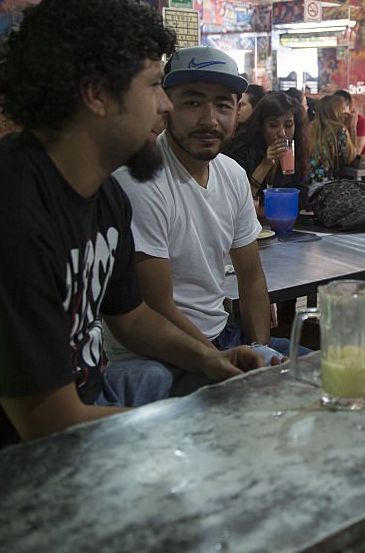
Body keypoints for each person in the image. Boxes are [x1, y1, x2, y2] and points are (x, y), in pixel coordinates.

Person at [0, 0, 264, 463]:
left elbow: (133, 317)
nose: (165, 106)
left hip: (80, 406)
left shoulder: (103, 195)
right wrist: (202, 431)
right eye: (153, 85)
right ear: (96, 94)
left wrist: (212, 360)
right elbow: (49, 424)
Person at [111, 46, 290, 384]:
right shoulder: (139, 180)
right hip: (159, 358)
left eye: (222, 105)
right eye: (192, 103)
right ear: (166, 105)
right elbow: (157, 307)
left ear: (238, 112)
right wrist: (216, 360)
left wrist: (258, 350)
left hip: (225, 339)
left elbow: (250, 277)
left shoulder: (233, 174)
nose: (209, 120)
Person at [224, 90, 309, 205]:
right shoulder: (241, 151)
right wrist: (265, 164)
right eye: (273, 125)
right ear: (261, 126)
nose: (282, 134)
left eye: (288, 125)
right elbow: (237, 203)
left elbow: (301, 198)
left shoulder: (297, 151)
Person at [307, 93, 356, 192]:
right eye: (343, 108)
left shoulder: (310, 127)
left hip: (307, 187)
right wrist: (352, 128)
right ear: (336, 112)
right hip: (326, 187)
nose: (346, 112)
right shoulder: (339, 130)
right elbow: (350, 158)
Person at [334, 88, 365, 161]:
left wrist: (352, 127)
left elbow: (355, 154)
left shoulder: (362, 122)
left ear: (349, 107)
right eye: (335, 107)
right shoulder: (335, 122)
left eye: (341, 107)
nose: (338, 111)